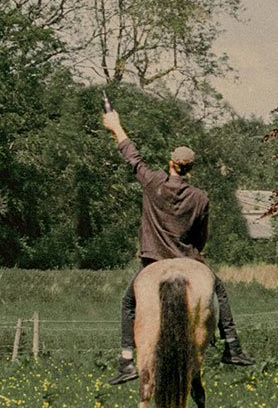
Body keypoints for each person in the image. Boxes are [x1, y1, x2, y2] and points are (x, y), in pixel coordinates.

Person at [101, 104, 252, 380]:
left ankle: (126, 361)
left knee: (127, 303)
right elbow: (202, 237)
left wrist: (116, 126)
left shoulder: (153, 183)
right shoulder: (200, 198)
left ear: (171, 163)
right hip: (188, 261)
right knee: (218, 290)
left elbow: (132, 157)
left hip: (153, 262)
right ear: (190, 168)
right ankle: (233, 346)